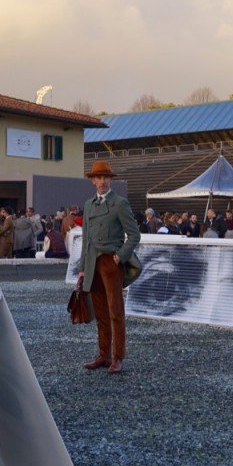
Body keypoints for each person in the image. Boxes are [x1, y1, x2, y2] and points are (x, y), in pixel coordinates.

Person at [77, 161, 141, 375]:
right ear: (92, 180)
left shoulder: (119, 203)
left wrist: (119, 257)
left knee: (116, 311)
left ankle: (118, 357)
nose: (102, 181)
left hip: (110, 263)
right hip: (92, 262)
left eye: (106, 177)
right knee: (101, 312)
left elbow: (134, 235)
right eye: (98, 177)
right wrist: (83, 266)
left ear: (110, 180)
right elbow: (86, 239)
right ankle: (103, 355)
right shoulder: (88, 205)